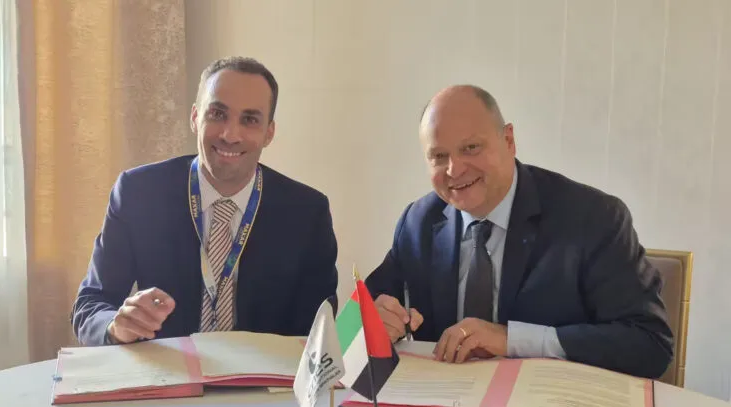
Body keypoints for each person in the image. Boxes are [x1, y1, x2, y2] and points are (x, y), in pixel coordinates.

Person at [365, 85, 673, 378]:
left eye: (471, 148)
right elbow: (359, 317)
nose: (454, 170)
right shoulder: (419, 221)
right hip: (443, 405)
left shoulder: (592, 217)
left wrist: (513, 340)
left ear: (509, 140)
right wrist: (374, 324)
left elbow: (649, 344)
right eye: (439, 156)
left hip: (549, 406)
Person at [72, 56, 338, 346]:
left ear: (268, 133)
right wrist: (116, 326)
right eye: (218, 114)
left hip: (264, 372)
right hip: (166, 370)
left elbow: (317, 331)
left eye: (250, 120)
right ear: (195, 118)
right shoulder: (139, 193)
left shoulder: (306, 213)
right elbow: (90, 305)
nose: (230, 135)